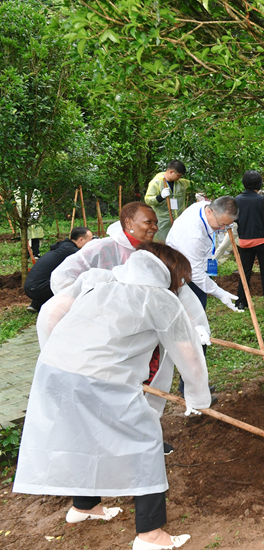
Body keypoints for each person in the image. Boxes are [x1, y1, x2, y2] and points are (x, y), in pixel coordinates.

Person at [14, 242, 210, 550]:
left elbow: (51, 313)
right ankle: (151, 536)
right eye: (181, 279)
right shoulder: (159, 299)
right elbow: (190, 357)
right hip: (100, 378)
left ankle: (84, 507)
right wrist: (199, 399)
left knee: (82, 435)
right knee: (145, 442)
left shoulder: (100, 280)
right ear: (168, 275)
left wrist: (63, 355)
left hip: (54, 367)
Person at [51, 202, 214, 416]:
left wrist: (198, 325)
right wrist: (86, 308)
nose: (154, 227)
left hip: (141, 337)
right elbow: (63, 278)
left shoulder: (154, 253)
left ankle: (146, 425)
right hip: (106, 339)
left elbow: (178, 290)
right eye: (149, 222)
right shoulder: (102, 249)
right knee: (113, 395)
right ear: (128, 222)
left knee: (143, 382)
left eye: (156, 223)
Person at [166, 196, 241, 312]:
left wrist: (226, 224)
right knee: (192, 312)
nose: (222, 228)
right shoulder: (192, 235)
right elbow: (194, 273)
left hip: (200, 262)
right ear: (209, 212)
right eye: (221, 224)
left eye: (226, 225)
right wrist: (220, 293)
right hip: (182, 272)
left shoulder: (204, 206)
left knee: (200, 305)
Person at [234, 171, 264, 311]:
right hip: (261, 240)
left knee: (245, 272)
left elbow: (235, 217)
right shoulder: (260, 200)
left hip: (244, 241)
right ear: (259, 183)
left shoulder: (237, 199)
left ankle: (241, 303)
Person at [23, 227, 93, 313]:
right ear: (81, 240)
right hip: (38, 289)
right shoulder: (72, 251)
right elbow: (89, 266)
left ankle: (36, 303)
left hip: (32, 287)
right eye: (90, 241)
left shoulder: (64, 246)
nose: (92, 244)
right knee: (77, 280)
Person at [145, 160, 192, 243]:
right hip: (162, 222)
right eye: (178, 175)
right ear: (171, 172)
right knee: (162, 245)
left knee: (177, 245)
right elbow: (148, 200)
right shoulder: (156, 182)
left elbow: (198, 187)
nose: (179, 178)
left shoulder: (182, 183)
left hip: (178, 221)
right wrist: (160, 197)